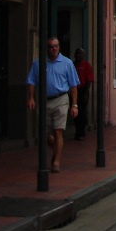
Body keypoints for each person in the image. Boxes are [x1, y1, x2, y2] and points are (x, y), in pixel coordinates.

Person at [27, 37, 79, 172]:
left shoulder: (67, 63)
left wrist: (74, 105)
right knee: (44, 133)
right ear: (47, 48)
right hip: (44, 100)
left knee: (58, 131)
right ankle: (57, 149)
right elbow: (31, 81)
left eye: (56, 46)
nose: (53, 49)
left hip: (61, 99)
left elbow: (73, 86)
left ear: (59, 47)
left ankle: (56, 161)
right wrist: (31, 98)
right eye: (51, 46)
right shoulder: (39, 63)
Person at [73, 48, 93, 141]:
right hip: (74, 89)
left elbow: (89, 81)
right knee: (74, 111)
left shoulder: (86, 65)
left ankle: (81, 131)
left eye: (80, 53)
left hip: (82, 90)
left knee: (82, 112)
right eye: (76, 53)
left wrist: (86, 93)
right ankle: (78, 129)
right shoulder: (72, 65)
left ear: (83, 55)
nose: (78, 55)